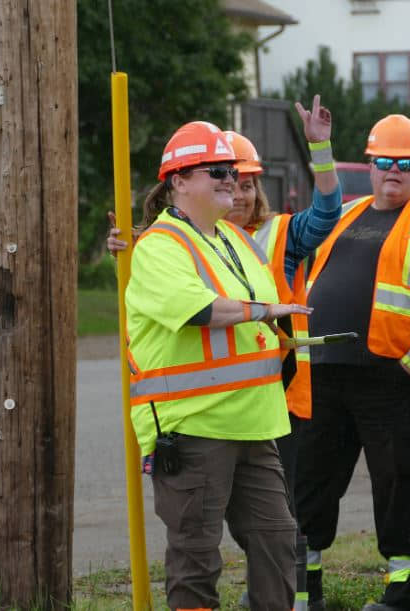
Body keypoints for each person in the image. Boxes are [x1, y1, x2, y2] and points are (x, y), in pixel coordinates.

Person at [125, 119, 312, 610]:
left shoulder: (236, 240)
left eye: (231, 169)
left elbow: (260, 323)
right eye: (216, 170)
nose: (230, 178)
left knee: (277, 541)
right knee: (196, 555)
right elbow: (199, 310)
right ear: (179, 181)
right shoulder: (160, 246)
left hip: (255, 423)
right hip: (194, 426)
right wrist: (266, 312)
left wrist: (283, 332)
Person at [297, 114, 410, 611]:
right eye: (384, 161)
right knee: (312, 475)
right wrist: (321, 148)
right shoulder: (350, 211)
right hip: (325, 369)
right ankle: (304, 581)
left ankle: (401, 590)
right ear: (372, 166)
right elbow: (289, 229)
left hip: (390, 375)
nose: (393, 171)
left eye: (405, 163)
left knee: (398, 477)